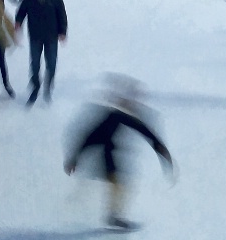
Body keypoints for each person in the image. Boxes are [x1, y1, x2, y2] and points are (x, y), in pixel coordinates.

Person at [64, 91, 174, 230]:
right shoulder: (114, 116)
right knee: (117, 183)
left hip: (107, 153)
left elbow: (145, 132)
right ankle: (111, 216)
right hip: (105, 155)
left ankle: (111, 215)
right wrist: (74, 158)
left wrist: (162, 151)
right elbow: (90, 137)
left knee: (118, 184)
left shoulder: (118, 116)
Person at [15, 0, 68, 105]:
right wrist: (18, 23)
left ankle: (48, 86)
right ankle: (35, 86)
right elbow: (21, 12)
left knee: (51, 63)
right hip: (35, 35)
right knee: (35, 64)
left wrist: (63, 31)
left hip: (51, 35)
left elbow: (61, 13)